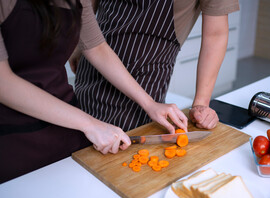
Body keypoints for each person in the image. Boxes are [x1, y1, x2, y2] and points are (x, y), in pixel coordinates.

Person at [0, 0, 187, 183]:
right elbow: (4, 83)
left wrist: (149, 104)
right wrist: (90, 124)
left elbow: (96, 47)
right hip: (12, 135)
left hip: (65, 123)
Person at [70, 0, 240, 132]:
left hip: (145, 81)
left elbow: (215, 35)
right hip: (92, 65)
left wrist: (201, 103)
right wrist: (79, 41)